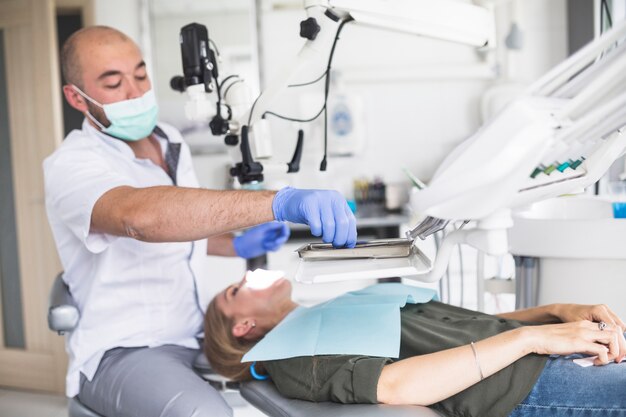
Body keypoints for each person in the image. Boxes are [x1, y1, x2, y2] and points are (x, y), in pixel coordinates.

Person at [44, 26, 357, 417]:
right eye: (113, 83)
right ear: (77, 97)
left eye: (140, 75)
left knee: (320, 379)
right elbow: (141, 219)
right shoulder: (71, 165)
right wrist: (279, 202)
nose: (135, 92)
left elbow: (179, 230)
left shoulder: (170, 141)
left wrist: (236, 245)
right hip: (124, 347)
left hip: (194, 333)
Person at [204, 273, 626, 417]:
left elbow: (465, 325)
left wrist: (557, 312)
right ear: (244, 326)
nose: (253, 273)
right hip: (522, 389)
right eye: (238, 287)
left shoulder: (332, 312)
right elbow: (396, 386)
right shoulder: (291, 358)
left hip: (539, 354)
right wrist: (534, 338)